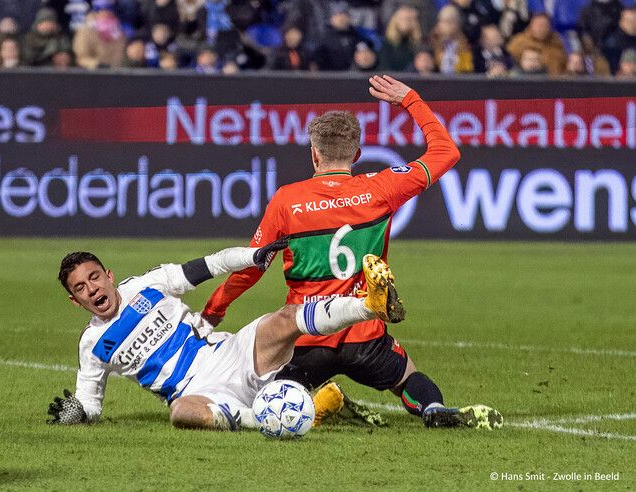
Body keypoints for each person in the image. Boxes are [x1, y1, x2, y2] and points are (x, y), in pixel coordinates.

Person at [202, 75, 503, 430]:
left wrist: (215, 307)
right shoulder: (382, 188)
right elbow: (446, 151)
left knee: (273, 395)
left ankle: (317, 401)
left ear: (314, 154)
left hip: (308, 336)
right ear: (357, 155)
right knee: (406, 376)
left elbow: (252, 266)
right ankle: (433, 408)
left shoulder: (287, 199)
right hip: (364, 335)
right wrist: (411, 100)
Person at [47, 240, 409, 430]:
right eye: (80, 288)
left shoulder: (147, 285)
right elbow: (90, 402)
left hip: (230, 354)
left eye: (94, 277)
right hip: (197, 393)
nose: (92, 289)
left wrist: (253, 256)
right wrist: (78, 413)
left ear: (109, 275)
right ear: (75, 300)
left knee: (283, 320)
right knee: (181, 415)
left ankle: (370, 305)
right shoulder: (92, 345)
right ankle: (291, 415)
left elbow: (210, 264)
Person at [428, 5, 474, 74]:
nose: (448, 25)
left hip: (459, 82)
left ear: (458, 24)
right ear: (439, 23)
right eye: (445, 21)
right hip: (437, 82)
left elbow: (467, 69)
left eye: (451, 21)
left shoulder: (465, 44)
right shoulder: (431, 44)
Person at [377, 5, 422, 71]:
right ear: (395, 20)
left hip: (413, 79)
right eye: (403, 18)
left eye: (409, 19)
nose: (407, 22)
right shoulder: (386, 44)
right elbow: (384, 67)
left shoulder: (420, 44)